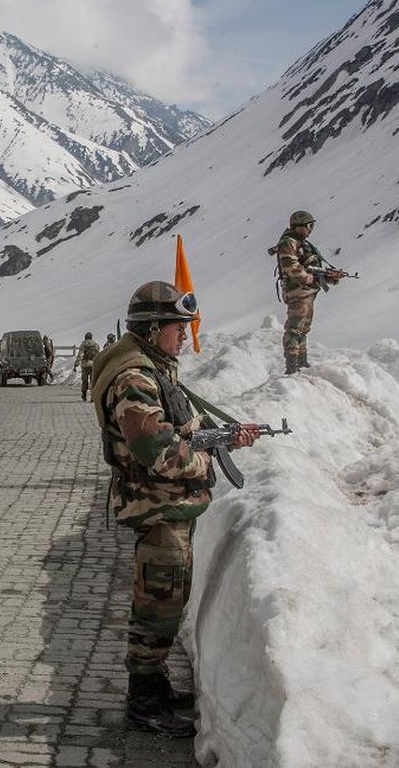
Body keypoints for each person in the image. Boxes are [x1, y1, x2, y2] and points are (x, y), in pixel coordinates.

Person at [89, 280, 259, 737]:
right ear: (153, 327)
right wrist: (205, 457)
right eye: (177, 327)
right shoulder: (136, 378)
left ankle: (154, 686)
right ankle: (144, 704)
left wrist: (221, 434)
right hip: (157, 507)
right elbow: (158, 451)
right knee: (156, 605)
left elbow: (176, 427)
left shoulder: (153, 368)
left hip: (166, 507)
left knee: (166, 601)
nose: (183, 335)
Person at [274, 210, 337, 374]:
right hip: (297, 293)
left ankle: (302, 363)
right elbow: (290, 266)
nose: (311, 229)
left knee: (303, 330)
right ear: (299, 226)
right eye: (309, 226)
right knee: (294, 330)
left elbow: (312, 271)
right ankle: (292, 366)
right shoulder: (288, 243)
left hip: (307, 293)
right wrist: (305, 277)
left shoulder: (304, 245)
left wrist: (328, 277)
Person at [77, 332, 100, 401]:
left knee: (84, 380)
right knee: (92, 380)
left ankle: (84, 395)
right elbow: (98, 354)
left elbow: (80, 355)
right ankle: (92, 397)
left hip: (85, 364)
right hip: (93, 364)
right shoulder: (96, 344)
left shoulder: (83, 344)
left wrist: (76, 363)